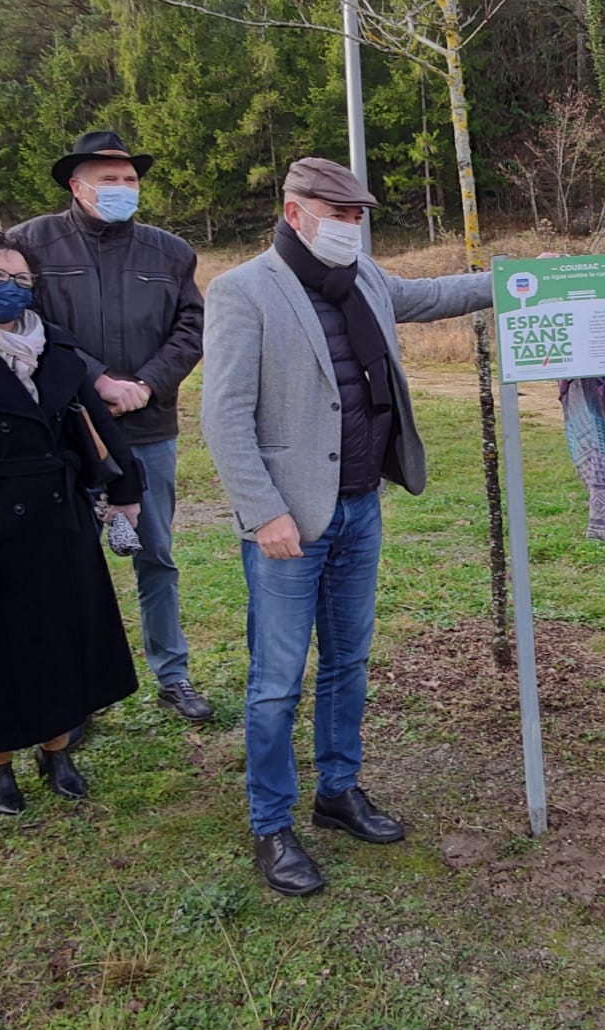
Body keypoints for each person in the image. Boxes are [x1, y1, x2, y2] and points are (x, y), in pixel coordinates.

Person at [201, 157, 494, 897]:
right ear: (294, 211)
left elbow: (434, 295)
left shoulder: (364, 277)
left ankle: (338, 790)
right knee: (275, 683)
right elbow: (224, 414)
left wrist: (520, 279)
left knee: (347, 663)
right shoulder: (243, 292)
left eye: (359, 215)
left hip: (360, 507)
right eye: (340, 214)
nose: (352, 227)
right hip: (289, 525)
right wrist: (263, 511)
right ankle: (271, 823)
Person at [8, 130, 211, 723]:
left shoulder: (170, 253)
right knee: (66, 561)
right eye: (108, 180)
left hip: (148, 427)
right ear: (76, 185)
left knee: (157, 555)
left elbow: (189, 329)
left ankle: (172, 674)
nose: (123, 189)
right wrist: (95, 381)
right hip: (63, 431)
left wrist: (145, 384)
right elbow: (27, 323)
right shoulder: (30, 244)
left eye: (130, 179)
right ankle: (72, 691)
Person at [0, 233, 144, 814]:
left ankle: (58, 748)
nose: (12, 287)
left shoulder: (53, 345)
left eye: (23, 279)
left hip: (58, 509)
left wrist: (125, 489)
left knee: (60, 631)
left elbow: (95, 418)